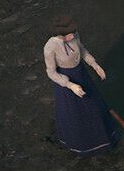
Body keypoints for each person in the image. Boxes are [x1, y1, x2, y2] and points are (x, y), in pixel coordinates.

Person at [43, 16, 114, 155]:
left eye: (73, 33)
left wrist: (94, 65)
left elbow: (82, 50)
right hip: (66, 80)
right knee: (74, 111)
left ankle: (102, 136)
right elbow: (51, 72)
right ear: (60, 35)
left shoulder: (74, 35)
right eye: (69, 34)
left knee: (92, 104)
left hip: (80, 74)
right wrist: (70, 85)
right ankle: (82, 142)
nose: (73, 36)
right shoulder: (50, 47)